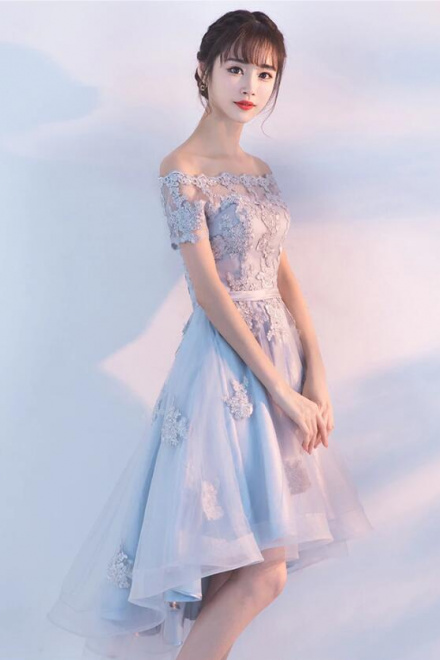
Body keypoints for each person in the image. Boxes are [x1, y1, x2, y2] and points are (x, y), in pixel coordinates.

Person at [47, 9, 373, 660]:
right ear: (204, 70)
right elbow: (209, 294)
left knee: (242, 571)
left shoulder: (260, 170)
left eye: (265, 73)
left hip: (280, 364)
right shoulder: (181, 167)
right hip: (225, 372)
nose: (250, 84)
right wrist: (282, 392)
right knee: (259, 572)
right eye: (236, 67)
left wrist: (316, 375)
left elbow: (284, 277)